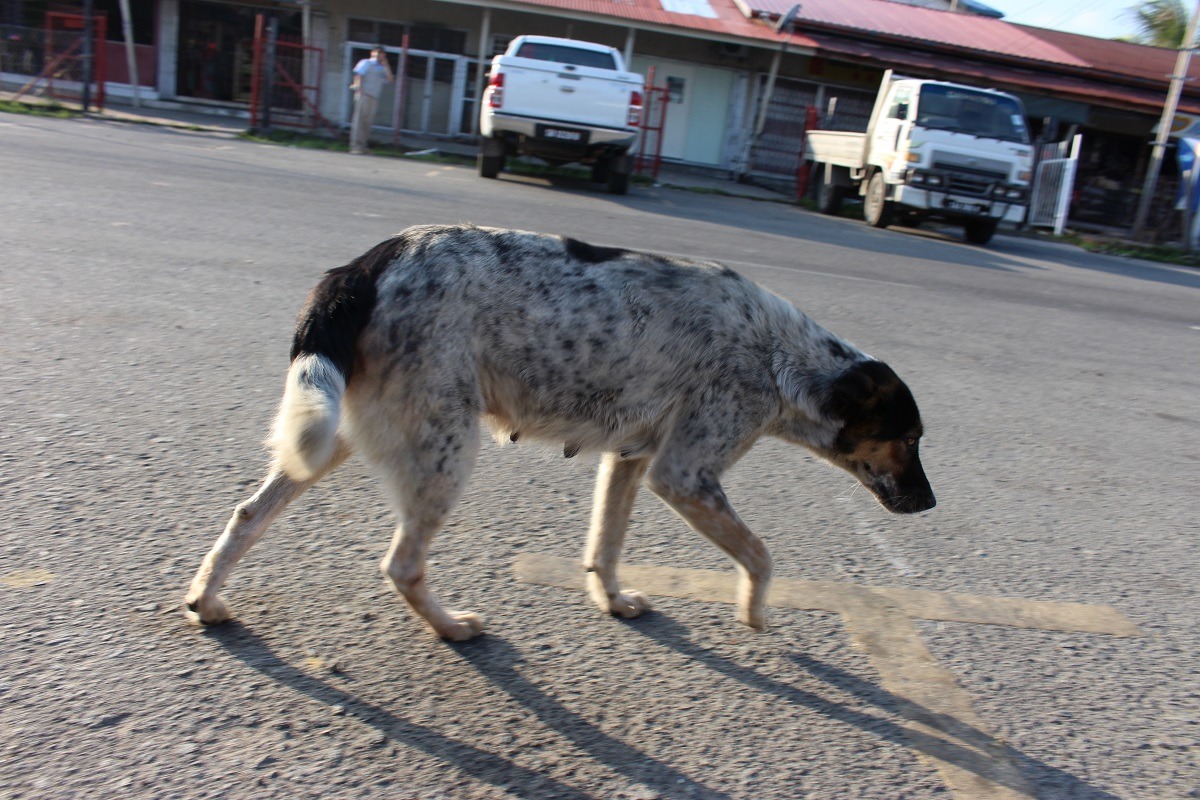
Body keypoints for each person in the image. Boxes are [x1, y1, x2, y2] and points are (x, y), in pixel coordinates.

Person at [349, 47, 393, 155]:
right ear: (372, 53)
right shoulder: (366, 63)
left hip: (373, 96)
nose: (378, 54)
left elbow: (389, 79)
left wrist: (386, 65)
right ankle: (356, 146)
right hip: (364, 94)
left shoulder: (381, 67)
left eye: (381, 53)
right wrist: (358, 87)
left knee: (367, 123)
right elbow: (358, 74)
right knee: (359, 121)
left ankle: (363, 146)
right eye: (376, 52)